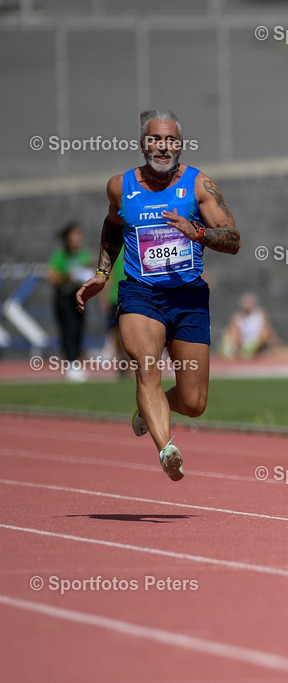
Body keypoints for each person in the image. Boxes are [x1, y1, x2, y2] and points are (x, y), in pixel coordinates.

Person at [76, 109, 241, 481]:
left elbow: (233, 239)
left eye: (170, 140)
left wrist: (198, 233)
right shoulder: (120, 186)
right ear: (143, 144)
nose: (163, 147)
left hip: (188, 298)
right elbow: (112, 224)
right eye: (155, 139)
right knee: (146, 367)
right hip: (141, 294)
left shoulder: (200, 185)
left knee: (194, 403)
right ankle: (167, 448)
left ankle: (152, 411)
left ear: (180, 145)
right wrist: (103, 272)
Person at [47, 222, 94, 381]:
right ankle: (71, 363)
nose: (77, 239)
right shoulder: (60, 256)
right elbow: (51, 276)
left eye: (79, 236)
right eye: (74, 236)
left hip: (79, 296)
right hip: (64, 296)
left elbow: (90, 270)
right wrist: (68, 276)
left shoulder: (84, 255)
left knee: (79, 329)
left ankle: (76, 360)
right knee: (68, 329)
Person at [221, 292, 279, 359]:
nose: (247, 305)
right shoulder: (237, 317)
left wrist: (275, 344)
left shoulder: (260, 314)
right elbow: (235, 332)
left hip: (256, 341)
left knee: (265, 333)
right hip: (242, 341)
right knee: (227, 333)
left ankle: (249, 350)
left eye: (249, 302)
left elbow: (267, 330)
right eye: (245, 302)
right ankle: (231, 349)